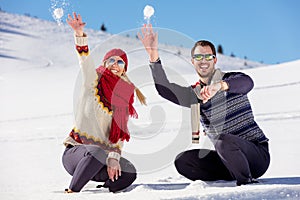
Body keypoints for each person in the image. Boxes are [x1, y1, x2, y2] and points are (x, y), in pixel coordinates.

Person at [138, 24, 270, 186]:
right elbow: (165, 90)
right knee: (184, 161)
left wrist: (218, 86)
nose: (203, 61)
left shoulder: (232, 79)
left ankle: (246, 182)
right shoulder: (195, 95)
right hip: (228, 159)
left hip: (257, 156)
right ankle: (232, 173)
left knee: (223, 140)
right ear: (193, 61)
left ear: (215, 59)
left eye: (208, 57)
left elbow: (247, 83)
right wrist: (153, 57)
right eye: (199, 57)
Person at [62, 13, 146, 193]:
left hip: (99, 161)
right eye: (111, 60)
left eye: (120, 61)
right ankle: (73, 191)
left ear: (125, 68)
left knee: (129, 171)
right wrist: (79, 34)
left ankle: (104, 191)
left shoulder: (124, 97)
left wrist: (114, 158)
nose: (115, 64)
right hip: (76, 154)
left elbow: (118, 137)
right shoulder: (93, 80)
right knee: (97, 152)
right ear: (104, 63)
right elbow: (84, 61)